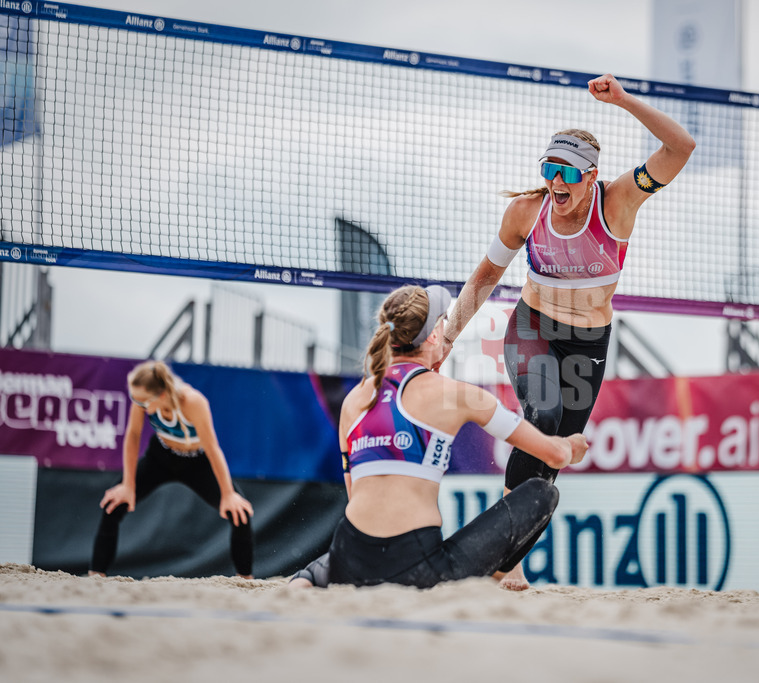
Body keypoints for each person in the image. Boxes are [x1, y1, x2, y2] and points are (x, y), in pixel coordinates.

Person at [439, 73, 696, 589]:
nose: (557, 181)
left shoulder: (619, 201)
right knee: (546, 415)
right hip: (533, 326)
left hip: (588, 343)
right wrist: (446, 337)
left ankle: (505, 561)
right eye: (549, 169)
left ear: (590, 176)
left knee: (554, 454)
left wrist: (622, 100)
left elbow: (681, 146)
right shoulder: (525, 212)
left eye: (567, 173)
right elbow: (486, 276)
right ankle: (501, 562)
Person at [288, 284, 587, 589]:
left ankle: (306, 580)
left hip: (349, 554)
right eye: (443, 321)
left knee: (313, 574)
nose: (446, 329)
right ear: (432, 336)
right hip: (417, 563)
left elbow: (354, 493)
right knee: (542, 493)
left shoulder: (354, 399)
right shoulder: (455, 394)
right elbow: (554, 455)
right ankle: (503, 574)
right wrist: (570, 446)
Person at [88, 360, 254, 579]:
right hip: (161, 457)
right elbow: (133, 436)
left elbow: (213, 448)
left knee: (239, 511)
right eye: (134, 398)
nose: (136, 403)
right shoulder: (142, 398)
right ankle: (96, 575)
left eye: (141, 400)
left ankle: (245, 581)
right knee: (114, 503)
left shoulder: (193, 402)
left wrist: (228, 494)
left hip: (197, 462)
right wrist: (128, 485)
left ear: (162, 396)